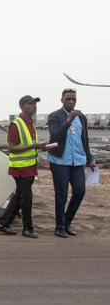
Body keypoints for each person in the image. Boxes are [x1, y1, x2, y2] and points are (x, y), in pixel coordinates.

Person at [0, 95, 47, 238]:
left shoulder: (31, 123)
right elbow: (11, 148)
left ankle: (3, 223)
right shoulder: (16, 124)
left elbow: (29, 144)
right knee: (26, 198)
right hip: (20, 168)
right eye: (31, 104)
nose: (34, 107)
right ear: (22, 106)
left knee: (19, 196)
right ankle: (27, 228)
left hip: (29, 166)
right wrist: (33, 146)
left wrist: (40, 146)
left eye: (35, 104)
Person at [47, 88, 96, 238]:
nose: (71, 101)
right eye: (68, 99)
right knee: (61, 194)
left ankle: (67, 222)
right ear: (61, 99)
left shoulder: (81, 117)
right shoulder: (54, 116)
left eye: (73, 99)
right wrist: (69, 120)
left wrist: (89, 159)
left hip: (77, 161)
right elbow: (55, 136)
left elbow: (84, 140)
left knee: (80, 191)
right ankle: (59, 227)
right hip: (60, 161)